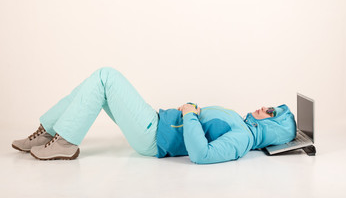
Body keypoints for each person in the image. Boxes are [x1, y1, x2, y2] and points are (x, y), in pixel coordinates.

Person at [12, 67, 297, 164]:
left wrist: (190, 114)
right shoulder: (243, 125)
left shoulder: (243, 139)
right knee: (95, 83)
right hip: (156, 124)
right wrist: (190, 113)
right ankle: (50, 131)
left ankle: (66, 142)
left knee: (106, 77)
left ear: (273, 127)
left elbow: (202, 155)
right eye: (270, 106)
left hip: (154, 138)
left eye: (271, 112)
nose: (264, 107)